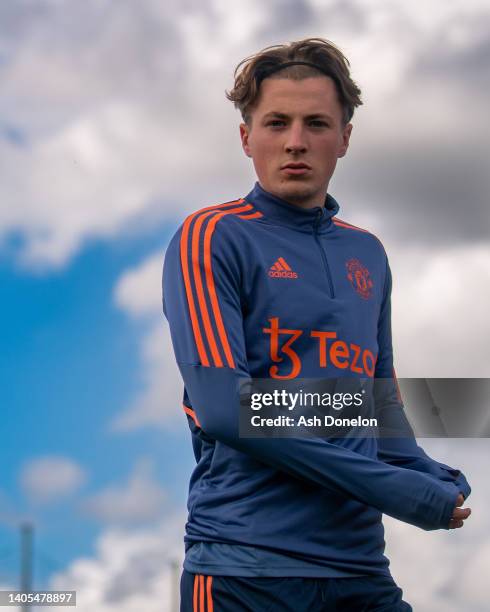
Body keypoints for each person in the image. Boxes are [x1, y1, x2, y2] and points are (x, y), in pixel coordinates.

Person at [162, 37, 471, 612]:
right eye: (276, 122)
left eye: (316, 123)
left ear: (345, 138)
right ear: (246, 137)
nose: (296, 142)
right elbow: (227, 410)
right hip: (245, 571)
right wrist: (396, 490)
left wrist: (430, 472)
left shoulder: (369, 255)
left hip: (360, 573)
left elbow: (377, 403)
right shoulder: (211, 237)